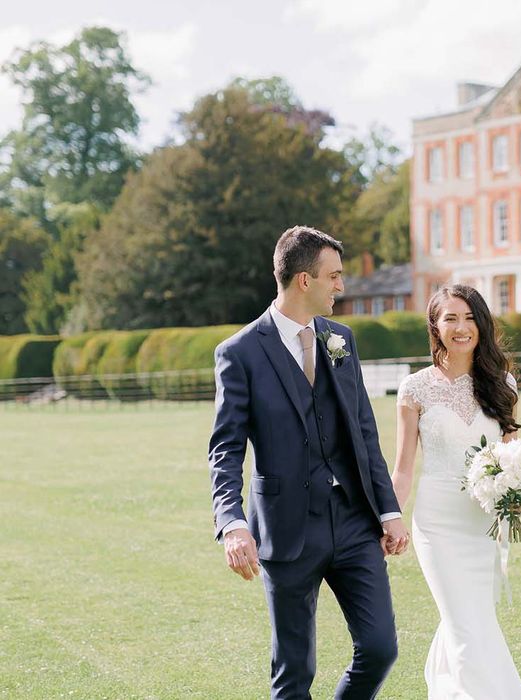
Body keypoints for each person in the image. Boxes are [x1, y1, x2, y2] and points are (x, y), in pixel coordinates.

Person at [208, 225, 409, 700]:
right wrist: (232, 523)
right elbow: (226, 448)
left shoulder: (341, 339)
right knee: (294, 672)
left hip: (355, 522)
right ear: (304, 280)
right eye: (334, 276)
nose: (341, 286)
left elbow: (363, 431)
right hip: (287, 529)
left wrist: (389, 511)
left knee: (380, 648)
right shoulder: (239, 353)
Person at [392, 284, 521, 699]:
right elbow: (402, 469)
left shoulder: (501, 382)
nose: (461, 327)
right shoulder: (414, 389)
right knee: (466, 625)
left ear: (482, 323)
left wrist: (517, 492)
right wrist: (389, 518)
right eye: (450, 318)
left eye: (470, 317)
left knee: (470, 619)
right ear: (435, 326)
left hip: (483, 522)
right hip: (437, 524)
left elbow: (510, 455)